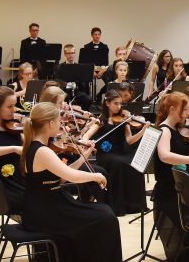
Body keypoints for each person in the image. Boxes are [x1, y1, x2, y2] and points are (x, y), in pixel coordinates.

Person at [20, 102, 123, 261]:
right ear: (50, 123)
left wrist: (85, 155)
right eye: (59, 120)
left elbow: (61, 177)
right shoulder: (42, 151)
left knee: (104, 213)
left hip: (47, 204)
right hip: (45, 210)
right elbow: (71, 176)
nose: (61, 124)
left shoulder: (36, 147)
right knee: (106, 218)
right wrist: (96, 176)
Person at [152, 92, 189, 259]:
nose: (188, 114)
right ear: (172, 109)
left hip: (183, 183)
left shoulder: (179, 129)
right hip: (170, 188)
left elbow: (188, 150)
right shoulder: (164, 130)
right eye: (184, 110)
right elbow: (164, 155)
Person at [90, 91, 147, 215]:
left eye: (120, 104)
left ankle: (134, 205)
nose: (119, 107)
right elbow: (88, 135)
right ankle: (118, 205)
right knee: (118, 164)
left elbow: (130, 140)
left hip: (120, 153)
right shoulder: (101, 120)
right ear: (107, 103)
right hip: (105, 155)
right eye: (115, 103)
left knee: (135, 164)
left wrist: (143, 130)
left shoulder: (123, 119)